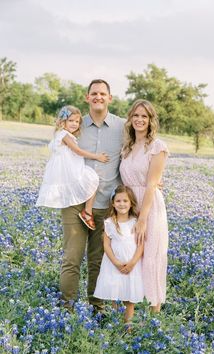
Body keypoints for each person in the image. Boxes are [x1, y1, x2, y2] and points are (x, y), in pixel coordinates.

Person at [59, 80, 125, 312]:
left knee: (98, 260)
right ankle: (65, 308)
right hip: (75, 203)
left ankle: (97, 307)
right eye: (94, 93)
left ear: (110, 98)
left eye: (102, 93)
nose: (98, 97)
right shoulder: (75, 125)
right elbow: (58, 150)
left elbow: (139, 151)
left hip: (105, 204)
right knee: (72, 258)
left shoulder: (122, 126)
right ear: (87, 97)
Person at [120, 99, 169, 313]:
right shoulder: (127, 147)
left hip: (150, 208)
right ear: (130, 119)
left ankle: (153, 318)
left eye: (144, 116)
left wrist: (142, 218)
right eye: (136, 116)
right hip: (128, 207)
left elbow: (151, 183)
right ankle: (128, 319)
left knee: (151, 259)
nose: (139, 120)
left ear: (151, 121)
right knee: (130, 257)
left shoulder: (157, 146)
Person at [36, 105, 109, 231]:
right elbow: (78, 151)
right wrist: (97, 156)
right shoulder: (65, 135)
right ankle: (87, 212)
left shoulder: (60, 134)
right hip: (70, 170)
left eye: (77, 121)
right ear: (62, 121)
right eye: (71, 121)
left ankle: (85, 210)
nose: (75, 124)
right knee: (92, 179)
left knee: (87, 182)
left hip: (64, 170)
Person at [94, 185, 144, 326]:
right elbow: (106, 245)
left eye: (125, 201)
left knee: (129, 299)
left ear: (131, 203)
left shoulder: (136, 222)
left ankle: (127, 329)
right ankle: (115, 327)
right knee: (114, 296)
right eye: (118, 201)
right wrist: (116, 262)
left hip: (131, 266)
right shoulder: (109, 222)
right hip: (113, 265)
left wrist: (132, 263)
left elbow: (141, 245)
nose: (121, 204)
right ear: (113, 203)